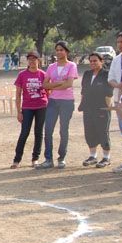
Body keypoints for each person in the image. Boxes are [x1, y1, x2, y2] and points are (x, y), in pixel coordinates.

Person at [36, 41, 78, 169]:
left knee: (63, 130)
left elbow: (69, 84)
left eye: (62, 50)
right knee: (48, 130)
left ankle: (62, 157)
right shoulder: (51, 67)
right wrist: (60, 83)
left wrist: (54, 85)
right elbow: (44, 84)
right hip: (53, 101)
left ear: (66, 51)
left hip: (67, 101)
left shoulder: (72, 66)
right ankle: (48, 159)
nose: (59, 52)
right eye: (57, 50)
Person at [11, 51, 48, 169]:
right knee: (24, 133)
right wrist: (18, 111)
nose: (32, 61)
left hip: (41, 106)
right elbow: (18, 94)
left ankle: (35, 158)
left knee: (38, 133)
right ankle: (17, 159)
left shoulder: (43, 74)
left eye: (34, 59)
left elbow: (48, 91)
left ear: (39, 60)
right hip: (27, 107)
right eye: (30, 59)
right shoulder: (22, 75)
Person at [78, 53, 113, 168]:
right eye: (91, 61)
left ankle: (106, 157)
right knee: (89, 132)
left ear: (101, 61)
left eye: (95, 61)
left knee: (102, 132)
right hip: (88, 108)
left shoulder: (106, 74)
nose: (92, 63)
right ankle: (93, 156)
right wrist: (82, 105)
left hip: (102, 108)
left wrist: (108, 108)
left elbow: (109, 93)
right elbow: (83, 91)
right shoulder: (87, 74)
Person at [108, 31, 122, 174]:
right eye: (118, 42)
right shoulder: (116, 60)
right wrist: (118, 85)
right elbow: (110, 78)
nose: (119, 44)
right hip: (120, 100)